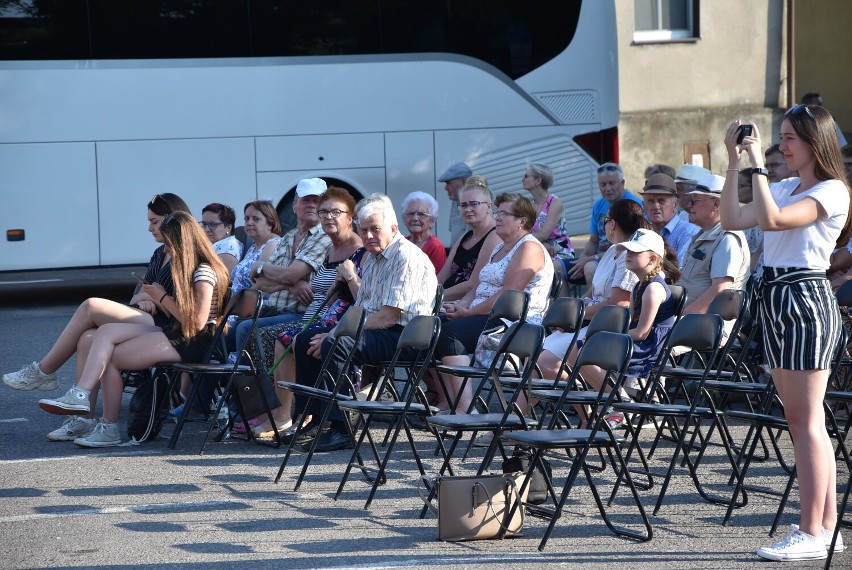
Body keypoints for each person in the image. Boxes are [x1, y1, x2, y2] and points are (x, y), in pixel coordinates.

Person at [719, 105, 851, 561]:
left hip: (803, 298)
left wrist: (754, 162)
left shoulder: (833, 190)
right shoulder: (785, 185)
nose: (782, 145)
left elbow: (774, 221)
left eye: (791, 137)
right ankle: (825, 527)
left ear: (817, 142)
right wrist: (735, 161)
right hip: (777, 299)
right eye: (781, 136)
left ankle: (813, 531)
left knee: (806, 421)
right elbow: (733, 219)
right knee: (803, 421)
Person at [2, 193, 192, 442]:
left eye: (154, 222)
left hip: (166, 326)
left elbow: (179, 306)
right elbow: (139, 293)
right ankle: (83, 418)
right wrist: (148, 297)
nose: (149, 228)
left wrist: (156, 297)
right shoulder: (160, 254)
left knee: (91, 305)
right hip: (147, 318)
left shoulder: (187, 258)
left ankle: (44, 371)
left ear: (172, 220)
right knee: (88, 338)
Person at [37, 211, 230, 447]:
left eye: (170, 244)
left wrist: (162, 297)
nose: (166, 250)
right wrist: (155, 298)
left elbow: (197, 324)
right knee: (105, 333)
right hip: (178, 332)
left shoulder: (204, 271)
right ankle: (81, 395)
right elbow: (177, 315)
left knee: (111, 358)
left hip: (197, 342)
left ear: (183, 243)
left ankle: (107, 425)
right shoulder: (186, 267)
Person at [291, 194, 437, 452]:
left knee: (339, 343)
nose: (368, 236)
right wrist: (332, 330)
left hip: (405, 336)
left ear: (393, 229)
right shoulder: (372, 257)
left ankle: (341, 429)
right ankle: (314, 419)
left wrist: (335, 332)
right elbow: (363, 306)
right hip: (380, 329)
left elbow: (388, 317)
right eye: (364, 229)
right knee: (306, 338)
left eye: (375, 229)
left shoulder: (406, 258)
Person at [251, 187, 365, 438]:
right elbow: (310, 286)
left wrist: (348, 277)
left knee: (282, 338)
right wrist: (297, 284)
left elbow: (362, 298)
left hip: (339, 321)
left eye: (336, 212)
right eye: (324, 212)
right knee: (280, 340)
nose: (328, 217)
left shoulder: (359, 249)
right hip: (314, 317)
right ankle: (283, 414)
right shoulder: (330, 249)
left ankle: (300, 416)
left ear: (350, 217)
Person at [434, 192, 554, 413]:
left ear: (522, 221)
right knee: (433, 326)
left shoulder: (529, 247)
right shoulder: (500, 247)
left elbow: (508, 295)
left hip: (514, 321)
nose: (497, 217)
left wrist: (467, 314)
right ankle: (451, 403)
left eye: (504, 213)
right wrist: (462, 306)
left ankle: (464, 409)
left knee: (450, 333)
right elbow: (478, 285)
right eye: (498, 212)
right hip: (485, 314)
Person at [536, 199, 648, 381]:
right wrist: (569, 315)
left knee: (547, 361)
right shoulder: (612, 251)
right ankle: (518, 411)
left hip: (605, 326)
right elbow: (592, 293)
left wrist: (578, 316)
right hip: (588, 321)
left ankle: (598, 406)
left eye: (605, 221)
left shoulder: (629, 256)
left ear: (612, 224)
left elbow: (618, 304)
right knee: (534, 354)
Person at [579, 229, 681, 428]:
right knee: (583, 349)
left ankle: (621, 404)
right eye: (628, 252)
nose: (628, 256)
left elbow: (642, 332)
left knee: (587, 352)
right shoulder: (639, 286)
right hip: (637, 341)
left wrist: (613, 338)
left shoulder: (653, 288)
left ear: (652, 259)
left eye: (635, 253)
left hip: (651, 347)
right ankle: (618, 402)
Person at [231, 178, 332, 354]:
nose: (311, 205)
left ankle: (257, 381)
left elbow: (291, 275)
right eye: (306, 200)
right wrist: (292, 284)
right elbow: (260, 283)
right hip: (274, 311)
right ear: (294, 205)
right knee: (226, 332)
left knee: (245, 329)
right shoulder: (288, 237)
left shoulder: (324, 236)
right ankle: (230, 380)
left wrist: (262, 266)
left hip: (302, 315)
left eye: (317, 201)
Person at [678, 173, 750, 319]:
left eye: (695, 200)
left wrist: (684, 315)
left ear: (716, 204)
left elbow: (720, 289)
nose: (689, 205)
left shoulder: (727, 239)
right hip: (691, 322)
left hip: (704, 327)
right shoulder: (704, 235)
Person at [568, 163, 642, 285]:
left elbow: (629, 245)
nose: (607, 189)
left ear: (622, 183)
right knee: (558, 267)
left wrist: (590, 259)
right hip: (597, 257)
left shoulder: (633, 205)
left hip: (621, 257)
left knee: (590, 268)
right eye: (603, 184)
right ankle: (566, 304)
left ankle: (594, 302)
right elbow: (593, 240)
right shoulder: (598, 205)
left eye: (612, 183)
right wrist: (582, 258)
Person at [436, 176, 502, 302]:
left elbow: (473, 284)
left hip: (467, 304)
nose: (468, 209)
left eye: (474, 204)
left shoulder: (495, 235)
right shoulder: (465, 237)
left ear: (489, 206)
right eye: (463, 205)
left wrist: (434, 297)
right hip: (445, 300)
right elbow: (441, 277)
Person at [641, 172, 699, 265]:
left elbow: (679, 272)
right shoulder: (642, 232)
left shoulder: (688, 233)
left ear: (675, 204)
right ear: (643, 205)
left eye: (661, 201)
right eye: (650, 201)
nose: (656, 206)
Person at [523, 162, 574, 261]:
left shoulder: (555, 203)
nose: (522, 179)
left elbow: (543, 235)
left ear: (538, 180)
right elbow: (524, 231)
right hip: (538, 249)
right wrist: (541, 243)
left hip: (558, 252)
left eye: (526, 176)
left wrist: (516, 239)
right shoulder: (529, 203)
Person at [229, 200, 282, 293]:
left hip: (251, 304)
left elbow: (261, 284)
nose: (249, 223)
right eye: (247, 218)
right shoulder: (253, 247)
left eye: (256, 219)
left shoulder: (273, 244)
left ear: (270, 223)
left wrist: (236, 302)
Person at [400, 191, 446, 272]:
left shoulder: (435, 246)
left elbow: (437, 280)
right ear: (404, 218)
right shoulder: (401, 243)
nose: (415, 218)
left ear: (432, 221)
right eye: (410, 213)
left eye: (421, 214)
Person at [200, 203, 242, 273]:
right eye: (204, 224)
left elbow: (223, 281)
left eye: (212, 224)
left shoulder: (229, 247)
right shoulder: (210, 244)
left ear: (228, 227)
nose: (207, 229)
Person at [438, 162, 473, 244]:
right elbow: (455, 235)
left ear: (464, 182)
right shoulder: (456, 201)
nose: (446, 188)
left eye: (449, 183)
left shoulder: (480, 201)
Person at [738, 168, 764, 274]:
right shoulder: (744, 211)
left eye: (740, 186)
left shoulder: (762, 213)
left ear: (754, 187)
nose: (736, 190)